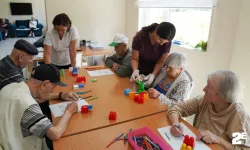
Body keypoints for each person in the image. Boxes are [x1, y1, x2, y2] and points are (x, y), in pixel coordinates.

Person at [0, 64, 78, 150]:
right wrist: (69, 111)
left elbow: (35, 98)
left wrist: (60, 95)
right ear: (45, 84)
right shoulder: (28, 106)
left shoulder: (11, 87)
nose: (52, 91)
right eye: (53, 87)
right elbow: (55, 134)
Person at [168, 70, 250, 150]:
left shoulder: (238, 116)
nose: (204, 89)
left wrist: (218, 139)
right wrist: (175, 123)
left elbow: (242, 148)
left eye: (209, 87)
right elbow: (176, 108)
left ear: (223, 95)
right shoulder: (205, 101)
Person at [130, 22, 176, 87]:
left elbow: (161, 62)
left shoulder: (166, 42)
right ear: (155, 31)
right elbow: (135, 59)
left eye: (164, 42)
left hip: (156, 72)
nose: (161, 44)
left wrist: (153, 75)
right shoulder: (140, 37)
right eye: (160, 40)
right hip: (139, 70)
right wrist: (135, 70)